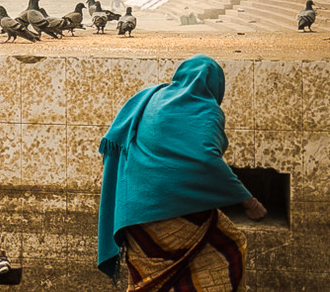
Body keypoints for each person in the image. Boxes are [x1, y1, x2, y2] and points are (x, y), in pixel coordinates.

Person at [98, 55, 266, 290]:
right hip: (170, 211)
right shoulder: (206, 109)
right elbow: (207, 160)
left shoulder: (152, 97)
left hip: (131, 212)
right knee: (231, 246)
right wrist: (249, 202)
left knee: (148, 278)